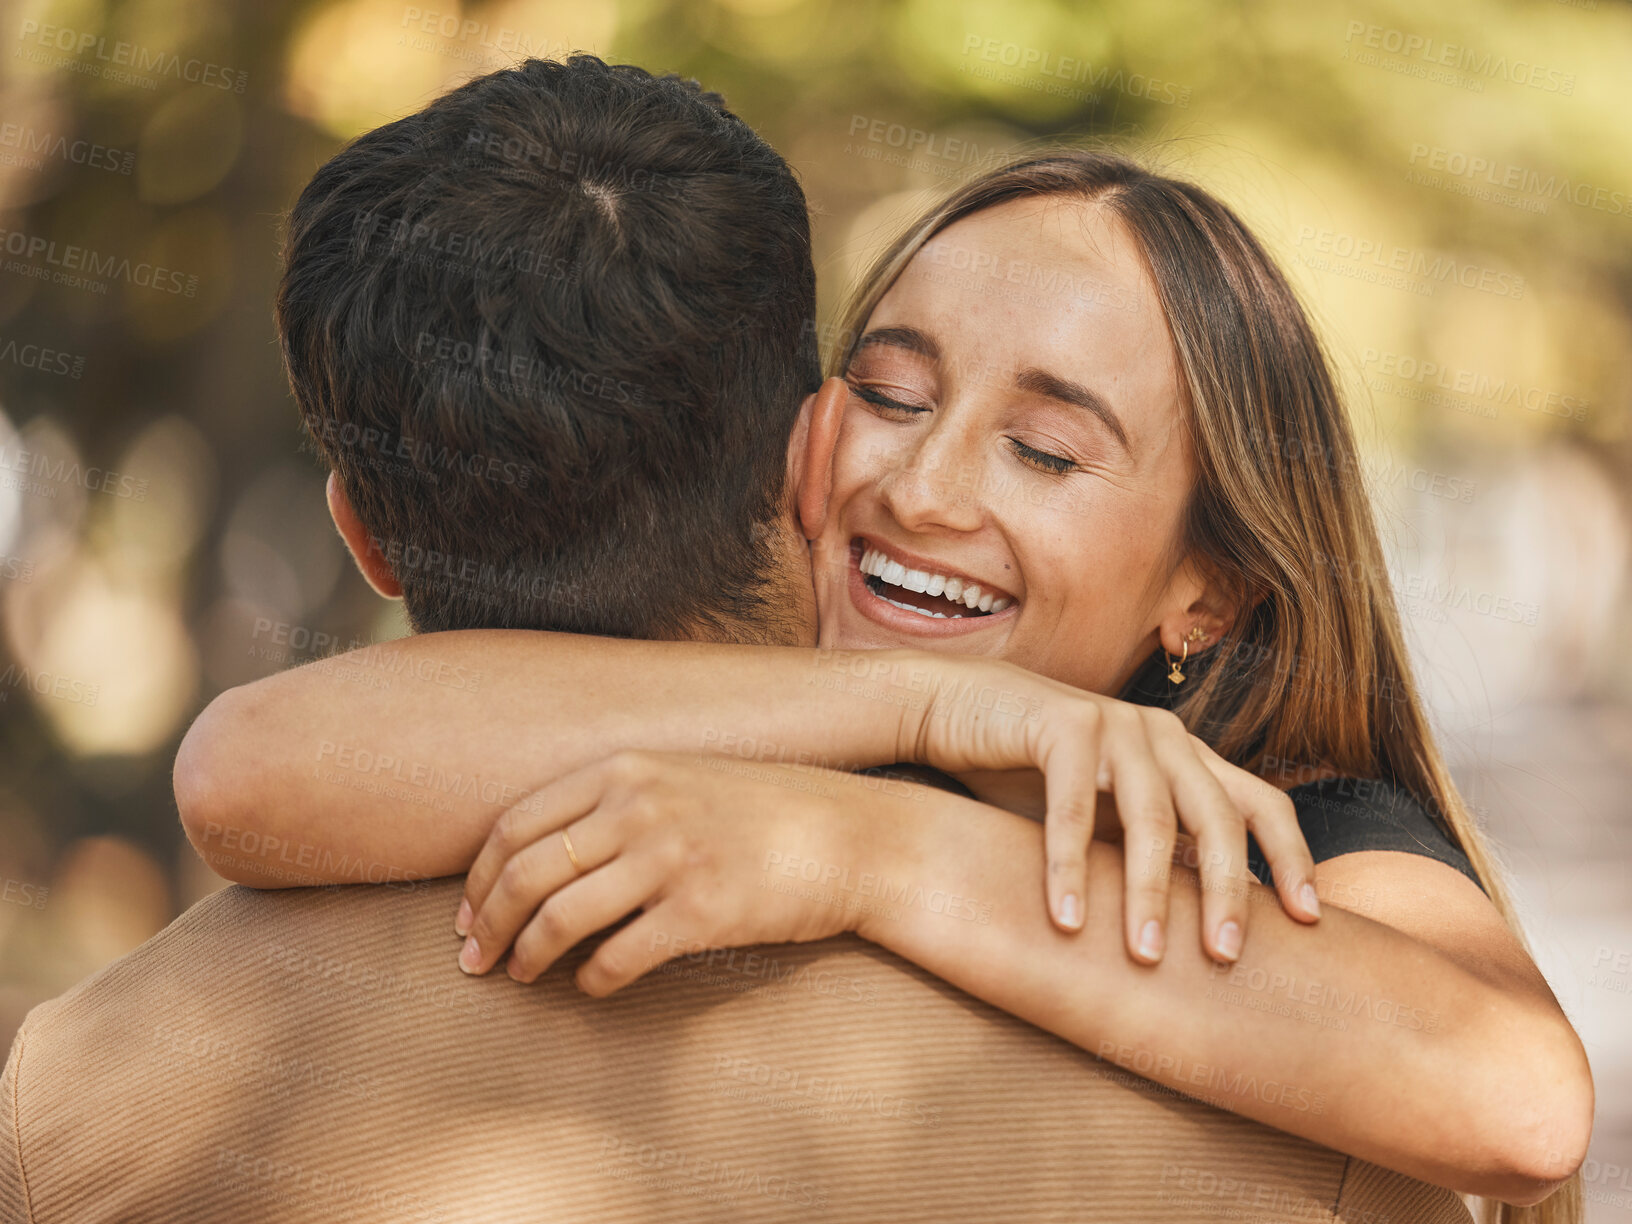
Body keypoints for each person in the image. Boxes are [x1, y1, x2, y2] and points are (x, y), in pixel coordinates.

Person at [0, 55, 1478, 1224]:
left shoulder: (1311, 868)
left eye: (1045, 449)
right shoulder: (1303, 1136)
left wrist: (866, 843)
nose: (927, 485)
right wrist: (924, 717)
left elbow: (1507, 1088)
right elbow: (247, 768)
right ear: (810, 448)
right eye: (897, 397)